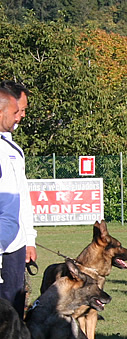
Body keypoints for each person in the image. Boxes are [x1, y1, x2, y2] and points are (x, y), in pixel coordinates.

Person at [0, 82, 36, 316]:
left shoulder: (12, 149)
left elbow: (21, 198)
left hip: (14, 245)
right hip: (3, 245)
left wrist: (28, 238)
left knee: (13, 315)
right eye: (17, 111)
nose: (20, 116)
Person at [0, 88, 21, 297]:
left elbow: (10, 211)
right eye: (14, 112)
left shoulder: (6, 151)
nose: (19, 118)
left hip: (7, 247)